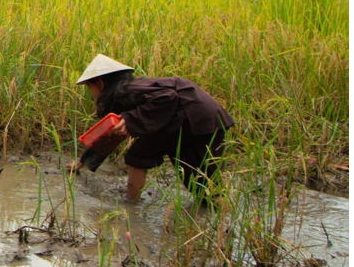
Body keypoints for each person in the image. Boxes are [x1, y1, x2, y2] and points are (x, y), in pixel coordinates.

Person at [68, 53, 233, 201]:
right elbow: (111, 135)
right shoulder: (129, 91)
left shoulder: (126, 90)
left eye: (90, 88)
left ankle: (131, 205)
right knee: (202, 184)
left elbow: (168, 96)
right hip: (201, 118)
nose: (91, 94)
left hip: (193, 118)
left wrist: (130, 118)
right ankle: (220, 221)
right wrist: (83, 161)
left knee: (138, 155)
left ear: (100, 83)